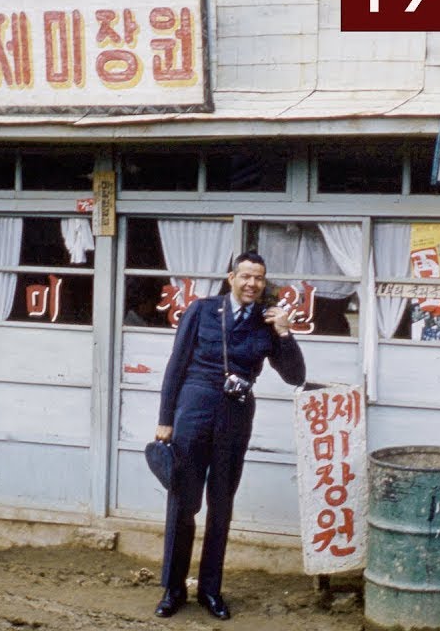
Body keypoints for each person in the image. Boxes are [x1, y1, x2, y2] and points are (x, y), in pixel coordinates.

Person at [153, 251, 306, 621]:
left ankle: (210, 590)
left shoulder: (267, 322)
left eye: (259, 278)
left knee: (221, 504)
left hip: (235, 418)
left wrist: (285, 332)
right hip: (193, 409)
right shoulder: (202, 310)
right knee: (183, 502)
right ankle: (173, 590)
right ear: (231, 278)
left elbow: (295, 376)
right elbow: (176, 365)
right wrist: (165, 419)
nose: (252, 284)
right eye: (246, 276)